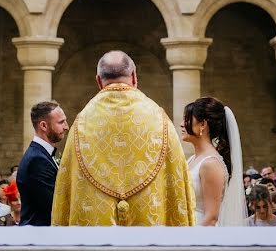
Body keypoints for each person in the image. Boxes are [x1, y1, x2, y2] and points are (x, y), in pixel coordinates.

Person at [51, 51, 195, 226]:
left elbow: (65, 189)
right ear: (134, 76)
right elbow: (177, 182)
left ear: (98, 80)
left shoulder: (81, 123)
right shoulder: (159, 118)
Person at [182, 97, 246, 226]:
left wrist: (189, 241)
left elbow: (211, 217)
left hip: (200, 235)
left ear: (203, 125)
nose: (182, 124)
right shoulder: (192, 159)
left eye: (187, 119)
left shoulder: (210, 164)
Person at [16, 100, 68, 226]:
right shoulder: (37, 160)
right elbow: (54, 204)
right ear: (43, 126)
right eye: (61, 122)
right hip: (39, 235)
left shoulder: (48, 153)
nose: (66, 127)